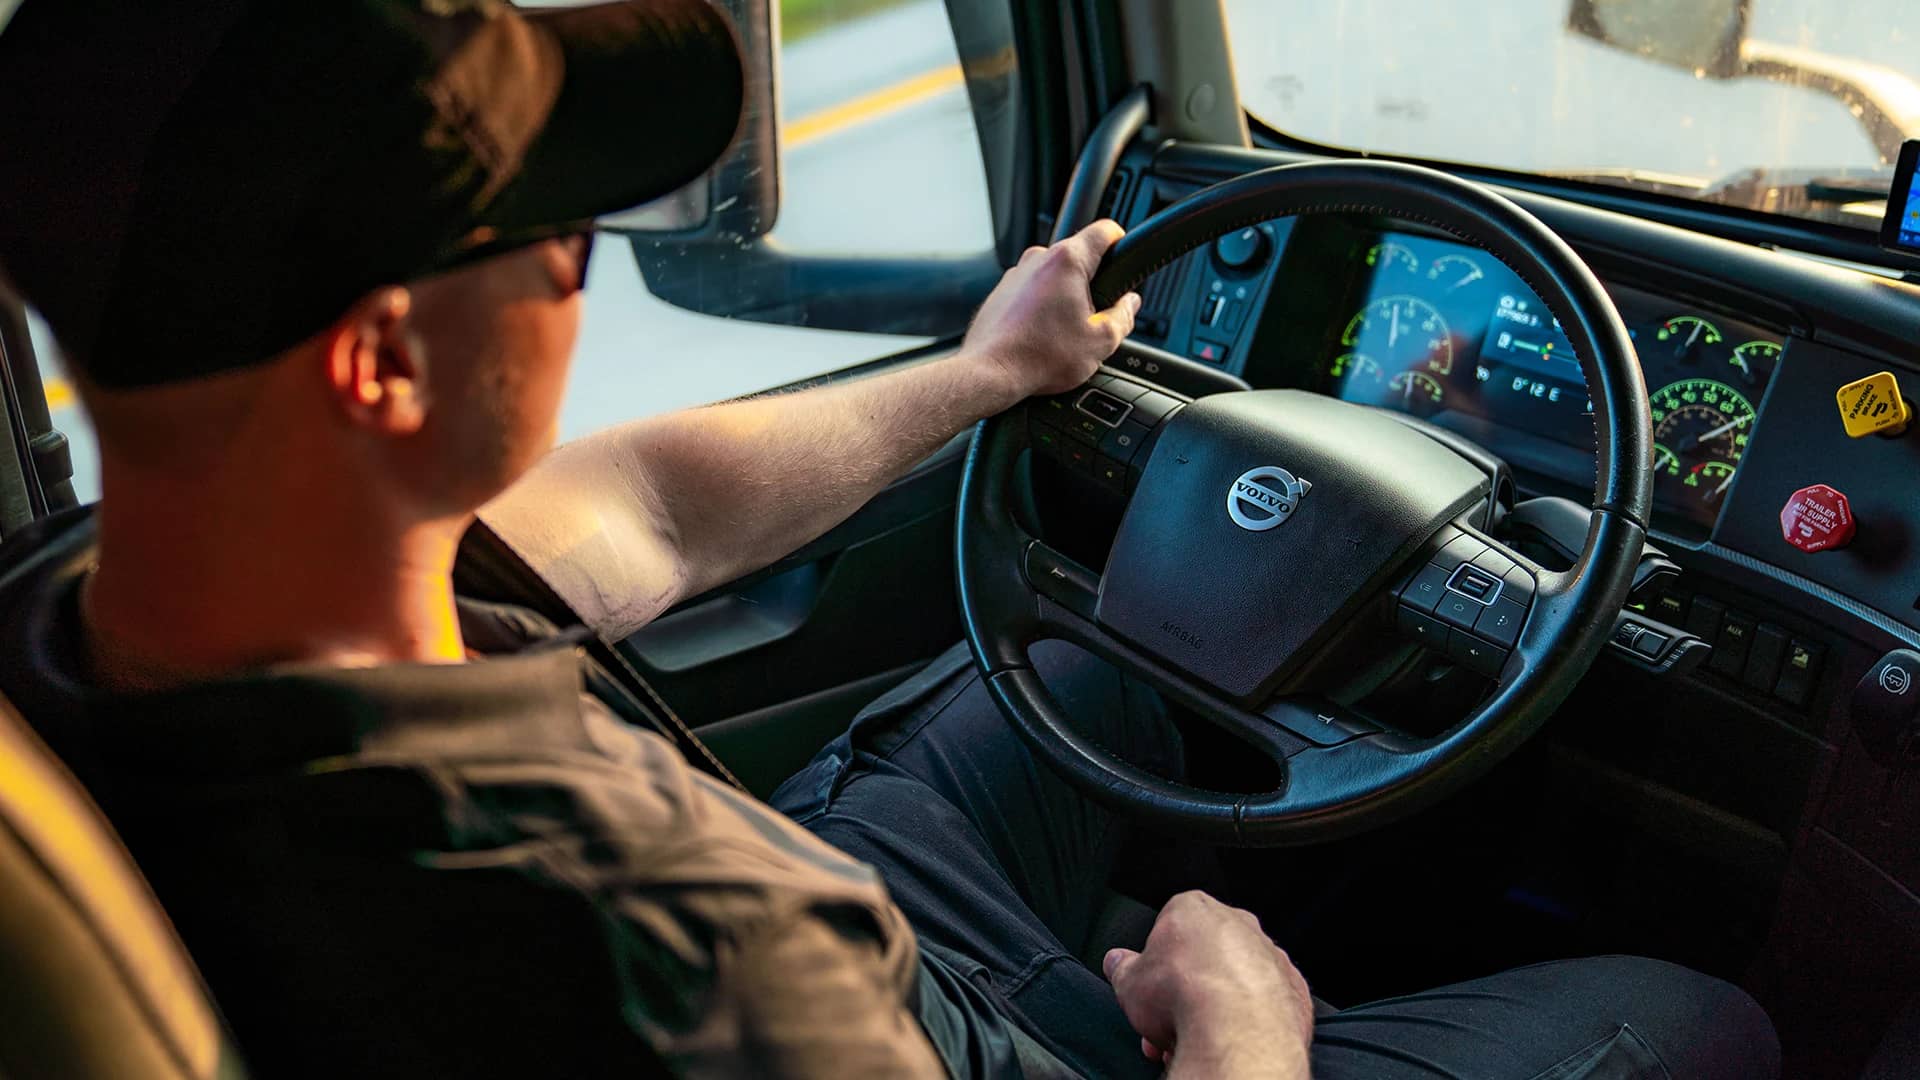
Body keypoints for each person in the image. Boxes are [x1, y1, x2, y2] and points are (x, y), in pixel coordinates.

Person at [0, 1, 1779, 1077]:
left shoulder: (98, 612)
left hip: (875, 925)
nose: (579, 266)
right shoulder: (677, 968)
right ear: (379, 361)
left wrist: (988, 371)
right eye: (544, 235)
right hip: (937, 1026)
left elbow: (647, 503)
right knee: (1704, 1019)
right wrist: (1249, 1017)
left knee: (1097, 666)